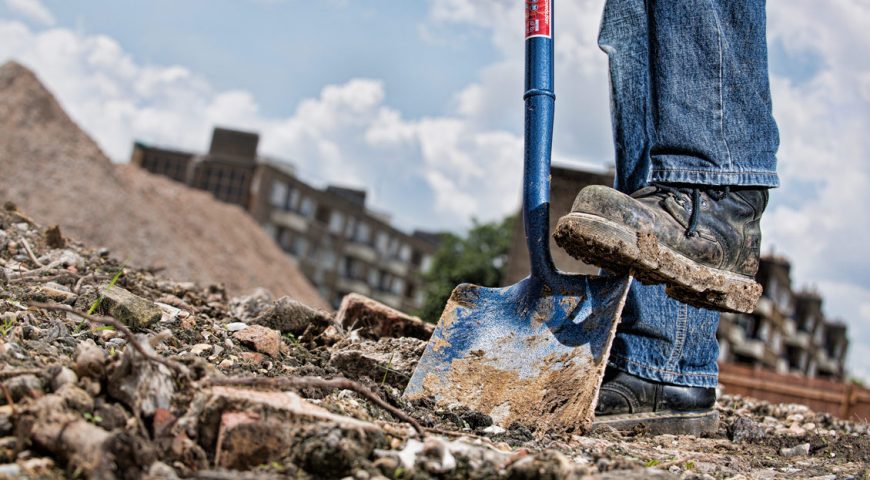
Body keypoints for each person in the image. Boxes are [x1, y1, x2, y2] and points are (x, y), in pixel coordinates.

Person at [554, 0, 779, 435]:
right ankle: (653, 359)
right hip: (647, 358)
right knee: (637, 26)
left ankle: (715, 200)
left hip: (712, 195)